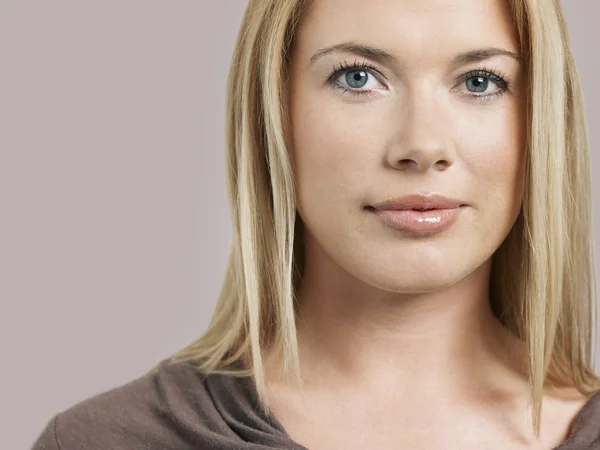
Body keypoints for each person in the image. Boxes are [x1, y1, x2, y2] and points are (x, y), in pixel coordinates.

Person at [32, 0, 600, 449]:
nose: (422, 145)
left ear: (542, 118)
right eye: (358, 77)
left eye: (480, 81)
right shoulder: (102, 442)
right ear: (273, 113)